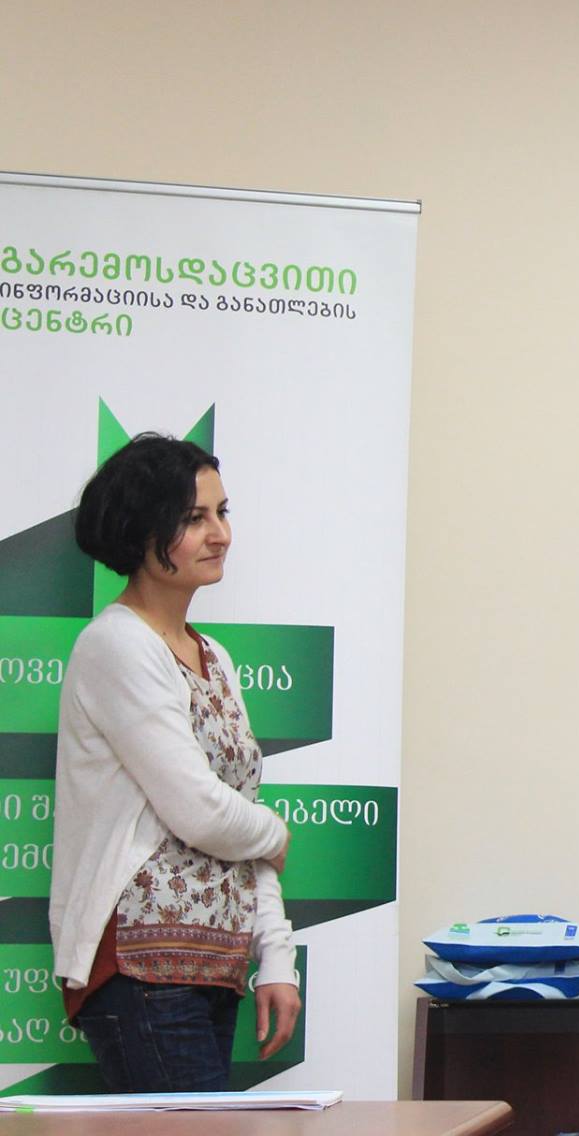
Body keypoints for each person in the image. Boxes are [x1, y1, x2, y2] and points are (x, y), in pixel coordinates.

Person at [51, 434, 300, 1091]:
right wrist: (275, 833)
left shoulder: (214, 656)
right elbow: (201, 811)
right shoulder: (116, 645)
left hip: (215, 966)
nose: (220, 534)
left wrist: (276, 957)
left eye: (222, 512)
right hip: (141, 971)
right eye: (194, 518)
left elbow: (239, 814)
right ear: (141, 532)